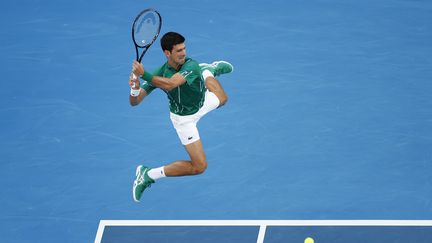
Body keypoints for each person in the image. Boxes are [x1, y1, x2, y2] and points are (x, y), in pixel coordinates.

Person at [129, 31, 233, 202]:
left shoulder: (190, 65)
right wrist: (134, 88)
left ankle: (208, 70)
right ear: (167, 53)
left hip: (201, 102)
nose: (184, 53)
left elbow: (171, 84)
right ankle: (148, 174)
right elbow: (135, 101)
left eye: (184, 48)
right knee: (199, 166)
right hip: (183, 119)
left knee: (223, 98)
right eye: (179, 51)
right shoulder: (160, 72)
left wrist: (144, 74)